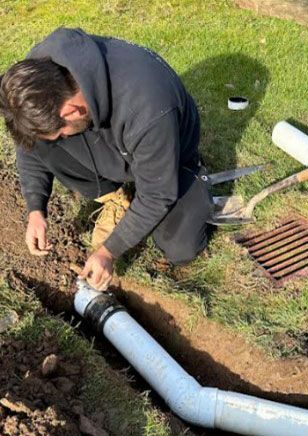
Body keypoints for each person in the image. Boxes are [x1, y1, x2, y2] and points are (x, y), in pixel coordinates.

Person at [0, 28, 213, 291]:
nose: (59, 138)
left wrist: (108, 252)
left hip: (169, 151)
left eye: (60, 131)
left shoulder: (146, 107)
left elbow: (158, 195)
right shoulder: (40, 76)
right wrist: (35, 209)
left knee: (180, 246)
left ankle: (195, 178)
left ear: (72, 110)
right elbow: (30, 142)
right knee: (42, 139)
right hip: (115, 140)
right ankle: (116, 195)